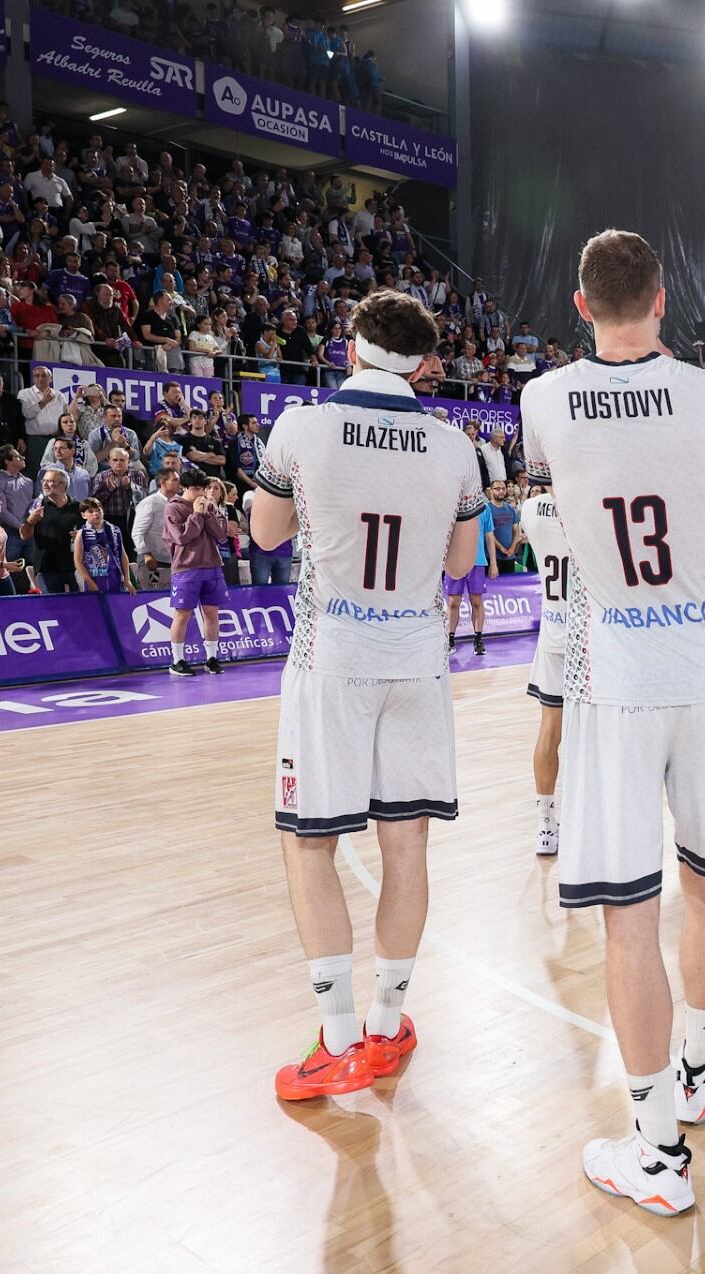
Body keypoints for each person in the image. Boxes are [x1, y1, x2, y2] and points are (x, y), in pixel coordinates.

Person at [519, 230, 705, 1217]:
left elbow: (553, 512)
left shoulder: (542, 400)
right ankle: (701, 1059)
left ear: (581, 305)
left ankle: (658, 1151)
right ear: (663, 299)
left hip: (614, 667)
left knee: (627, 915)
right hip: (703, 664)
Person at [250, 287, 486, 1103]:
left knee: (308, 842)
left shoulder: (302, 427)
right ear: (424, 364)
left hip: (333, 662)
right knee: (407, 848)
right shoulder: (456, 447)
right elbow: (460, 565)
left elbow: (265, 533)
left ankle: (337, 1038)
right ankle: (386, 1023)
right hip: (417, 663)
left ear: (350, 349)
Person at [518, 484, 569, 857]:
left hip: (553, 630)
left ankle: (545, 824)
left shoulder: (532, 509)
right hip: (591, 636)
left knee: (549, 732)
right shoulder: (591, 503)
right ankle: (587, 818)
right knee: (594, 739)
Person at [163, 468, 230, 675]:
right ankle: (177, 660)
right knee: (182, 614)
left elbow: (221, 535)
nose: (199, 493)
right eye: (194, 489)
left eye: (202, 488)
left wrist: (208, 513)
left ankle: (211, 658)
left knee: (211, 613)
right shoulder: (172, 509)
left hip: (212, 565)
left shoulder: (209, 505)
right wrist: (197, 515)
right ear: (183, 488)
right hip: (186, 568)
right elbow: (182, 537)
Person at [443, 495, 497, 656]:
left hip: (477, 561)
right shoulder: (450, 505)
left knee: (476, 601)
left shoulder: (484, 508)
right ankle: (450, 640)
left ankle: (478, 640)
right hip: (455, 560)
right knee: (453, 602)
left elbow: (489, 536)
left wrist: (493, 563)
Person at [131, 468, 181, 590]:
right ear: (163, 483)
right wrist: (146, 554)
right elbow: (137, 533)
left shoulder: (179, 503)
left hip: (173, 561)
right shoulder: (150, 503)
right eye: (174, 480)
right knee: (155, 599)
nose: (179, 482)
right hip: (153, 561)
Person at [73, 497, 131, 593]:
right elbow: (77, 562)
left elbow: (122, 555)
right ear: (83, 515)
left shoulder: (115, 530)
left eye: (98, 510)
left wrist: (127, 578)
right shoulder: (82, 533)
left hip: (115, 577)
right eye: (91, 511)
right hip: (94, 578)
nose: (95, 514)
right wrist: (89, 582)